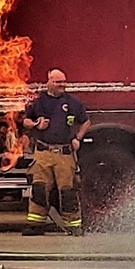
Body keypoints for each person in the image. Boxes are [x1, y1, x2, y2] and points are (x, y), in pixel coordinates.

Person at [21, 69, 91, 235]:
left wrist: (78, 138)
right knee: (39, 189)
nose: (62, 85)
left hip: (64, 154)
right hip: (43, 153)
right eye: (58, 82)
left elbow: (86, 122)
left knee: (68, 191)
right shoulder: (38, 102)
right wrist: (36, 124)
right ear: (49, 82)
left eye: (64, 82)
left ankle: (73, 225)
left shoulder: (73, 103)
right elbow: (25, 121)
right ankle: (35, 225)